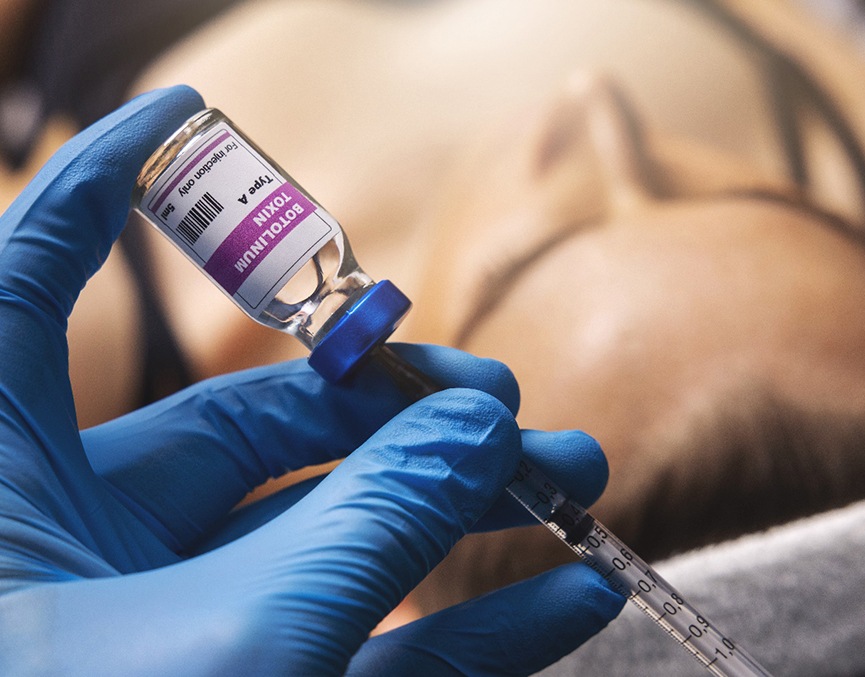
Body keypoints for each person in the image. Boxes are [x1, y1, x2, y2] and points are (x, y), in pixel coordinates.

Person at [0, 85, 625, 675]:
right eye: (726, 193)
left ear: (393, 612)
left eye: (515, 269)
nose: (589, 101)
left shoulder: (112, 337)